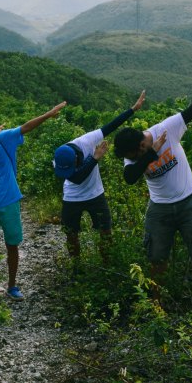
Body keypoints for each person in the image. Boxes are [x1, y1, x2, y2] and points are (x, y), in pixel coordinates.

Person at [113, 70, 192, 302]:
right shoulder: (133, 156)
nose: (131, 159)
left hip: (189, 202)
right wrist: (150, 154)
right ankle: (156, 303)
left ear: (141, 143)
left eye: (136, 154)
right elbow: (130, 177)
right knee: (157, 258)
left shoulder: (167, 129)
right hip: (159, 208)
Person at [0, 102, 67, 302]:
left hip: (9, 199)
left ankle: (12, 286)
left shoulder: (4, 138)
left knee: (12, 245)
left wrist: (48, 114)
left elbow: (26, 126)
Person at [53, 90, 146, 263]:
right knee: (71, 234)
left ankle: (107, 264)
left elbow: (111, 125)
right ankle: (76, 266)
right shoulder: (59, 158)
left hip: (95, 194)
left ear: (75, 158)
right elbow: (76, 178)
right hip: (72, 197)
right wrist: (95, 158)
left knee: (105, 231)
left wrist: (133, 109)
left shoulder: (87, 141)